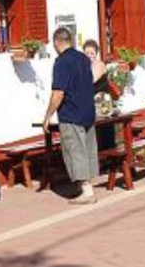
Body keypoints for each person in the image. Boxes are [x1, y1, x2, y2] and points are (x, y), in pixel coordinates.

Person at [42, 27, 99, 204]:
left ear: (57, 42)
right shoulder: (83, 58)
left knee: (75, 151)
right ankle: (86, 186)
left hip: (71, 112)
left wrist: (47, 116)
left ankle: (87, 191)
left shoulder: (62, 62)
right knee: (88, 149)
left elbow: (58, 93)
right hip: (88, 111)